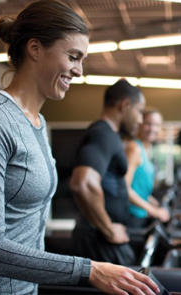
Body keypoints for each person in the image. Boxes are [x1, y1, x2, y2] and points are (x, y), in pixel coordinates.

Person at [0, 1, 159, 294]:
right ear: (35, 49)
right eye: (73, 56)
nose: (79, 71)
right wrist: (89, 269)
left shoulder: (37, 122)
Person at [70, 79, 145, 265]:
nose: (141, 119)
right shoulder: (103, 134)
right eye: (140, 111)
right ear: (125, 105)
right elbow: (83, 183)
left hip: (102, 237)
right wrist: (109, 229)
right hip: (100, 240)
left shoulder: (109, 135)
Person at [124, 108, 170, 228]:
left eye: (156, 125)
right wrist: (154, 211)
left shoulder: (146, 149)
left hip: (140, 214)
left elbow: (138, 187)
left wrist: (153, 202)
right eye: (148, 124)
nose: (152, 129)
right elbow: (124, 188)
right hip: (130, 216)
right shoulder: (134, 148)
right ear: (140, 124)